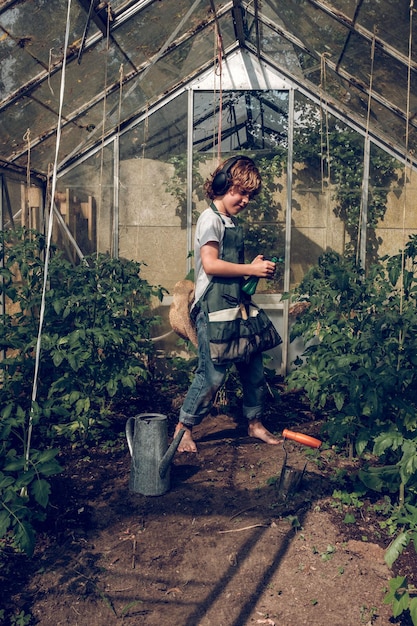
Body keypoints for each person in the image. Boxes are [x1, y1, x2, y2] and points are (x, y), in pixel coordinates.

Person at [174, 155, 281, 453]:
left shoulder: (231, 221)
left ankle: (255, 423)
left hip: (237, 308)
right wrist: (250, 269)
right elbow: (210, 265)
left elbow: (230, 265)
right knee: (212, 374)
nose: (245, 199)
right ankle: (183, 428)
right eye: (240, 192)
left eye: (249, 195)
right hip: (214, 310)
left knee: (254, 368)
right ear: (222, 185)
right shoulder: (210, 219)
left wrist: (253, 266)